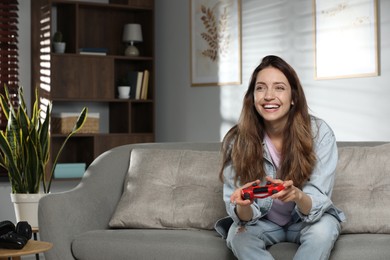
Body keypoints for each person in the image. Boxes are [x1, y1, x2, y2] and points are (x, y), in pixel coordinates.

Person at [217, 55, 345, 260]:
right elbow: (243, 218)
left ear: (293, 97)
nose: (268, 95)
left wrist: (297, 195)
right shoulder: (237, 139)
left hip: (306, 221)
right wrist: (244, 204)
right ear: (252, 97)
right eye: (260, 88)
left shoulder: (319, 133)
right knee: (238, 235)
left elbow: (318, 199)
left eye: (279, 87)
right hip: (263, 223)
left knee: (323, 230)